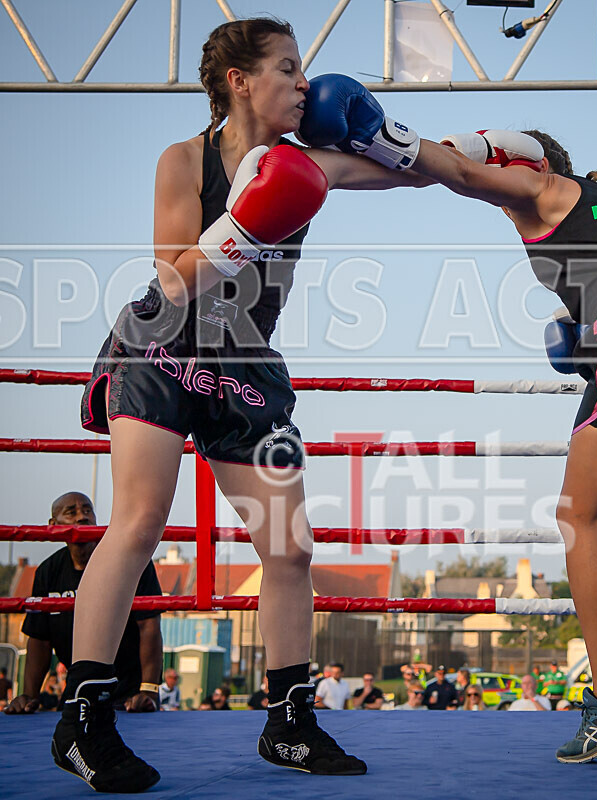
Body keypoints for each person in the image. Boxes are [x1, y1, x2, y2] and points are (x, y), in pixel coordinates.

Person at [297, 75, 597, 761]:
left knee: (581, 517)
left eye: (498, 176)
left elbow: (456, 168)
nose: (486, 192)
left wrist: (372, 128)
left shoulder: (545, 188)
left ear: (527, 165)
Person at [50, 17, 429, 792]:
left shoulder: (307, 160)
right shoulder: (183, 160)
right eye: (288, 68)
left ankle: (289, 720)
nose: (303, 83)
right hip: (163, 344)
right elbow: (175, 277)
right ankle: (85, 716)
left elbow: (410, 172)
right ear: (240, 81)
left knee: (288, 548)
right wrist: (248, 222)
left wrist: (488, 153)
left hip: (247, 360)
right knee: (141, 518)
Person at [5, 492, 163, 717]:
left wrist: (149, 690)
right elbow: (39, 638)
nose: (82, 517)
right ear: (54, 525)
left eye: (87, 510)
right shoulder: (49, 571)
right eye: (71, 512)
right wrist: (30, 695)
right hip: (78, 689)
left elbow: (149, 626)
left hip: (128, 692)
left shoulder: (130, 563)